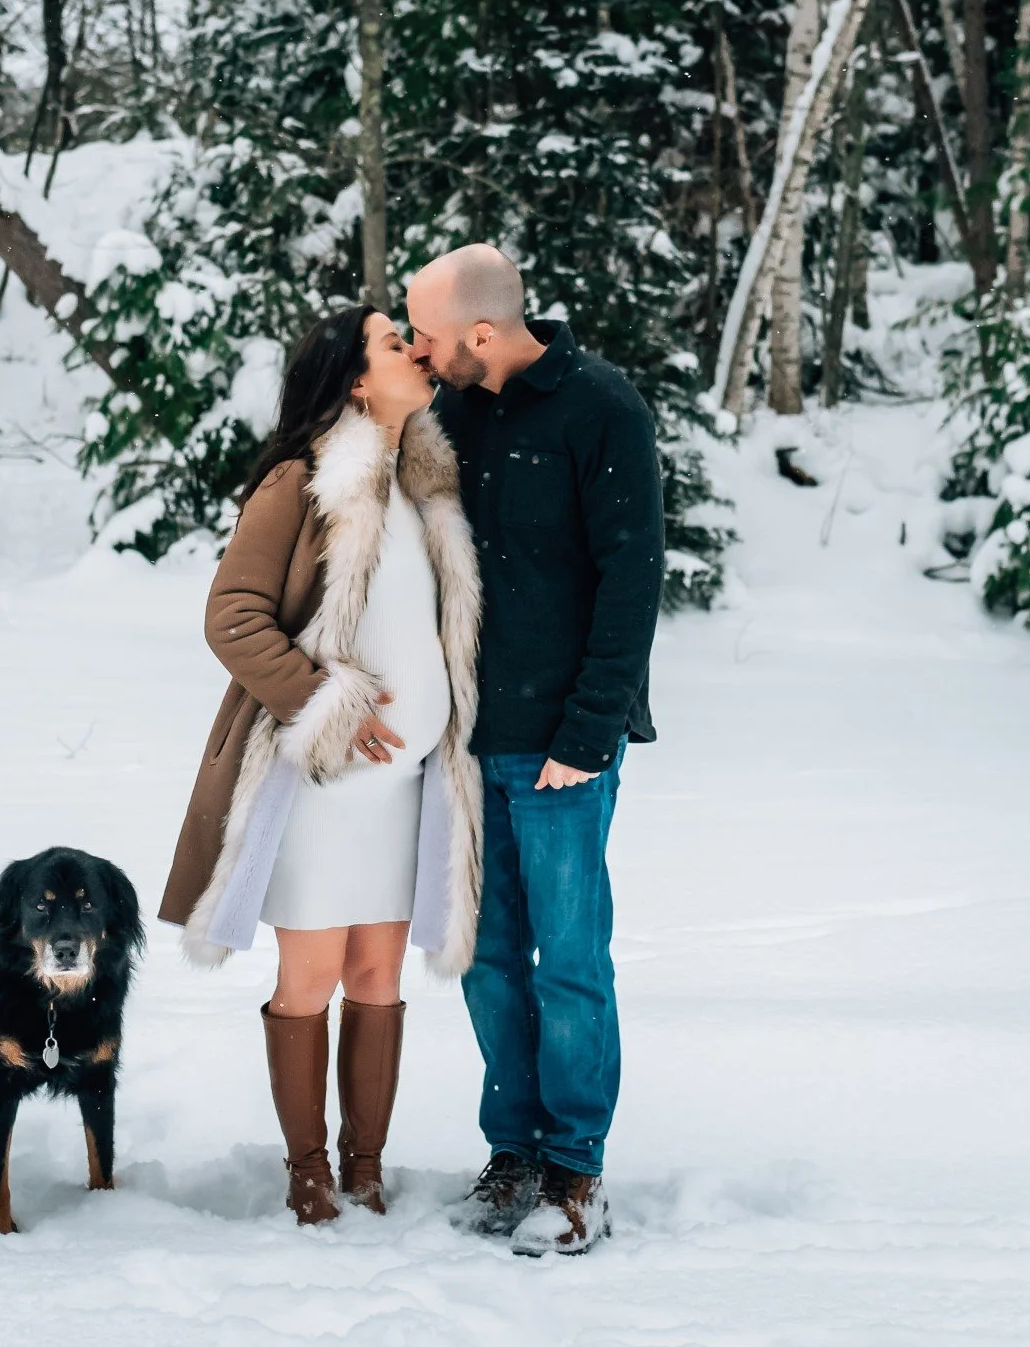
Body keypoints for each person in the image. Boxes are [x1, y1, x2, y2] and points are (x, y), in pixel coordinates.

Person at [159, 306, 485, 1226]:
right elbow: (233, 619)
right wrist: (328, 706)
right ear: (351, 378)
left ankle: (365, 1167)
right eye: (394, 344)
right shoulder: (299, 486)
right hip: (319, 782)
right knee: (309, 975)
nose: (417, 352)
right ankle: (308, 1172)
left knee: (378, 977)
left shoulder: (428, 493)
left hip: (407, 789)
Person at [405, 243, 665, 1257]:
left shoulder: (603, 409)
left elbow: (632, 578)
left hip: (563, 746)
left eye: (429, 334)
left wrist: (589, 733)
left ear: (480, 331)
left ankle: (574, 1172)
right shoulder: (452, 413)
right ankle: (510, 1152)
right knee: (490, 961)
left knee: (570, 966)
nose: (420, 351)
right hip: (467, 742)